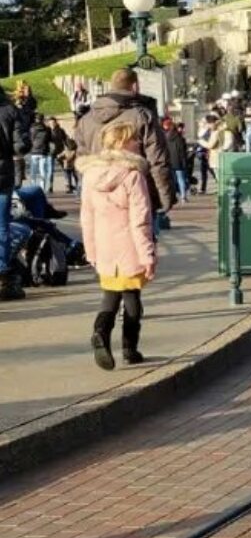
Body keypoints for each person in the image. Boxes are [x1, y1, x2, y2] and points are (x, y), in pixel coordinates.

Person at [79, 120, 158, 369]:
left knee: (110, 297)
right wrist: (148, 255)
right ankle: (129, 349)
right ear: (124, 143)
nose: (138, 143)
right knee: (132, 299)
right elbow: (140, 221)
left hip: (104, 246)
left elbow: (86, 216)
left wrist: (90, 250)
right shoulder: (133, 176)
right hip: (129, 247)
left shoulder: (90, 175)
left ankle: (100, 332)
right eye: (134, 139)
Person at [76, 69, 176, 213]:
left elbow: (82, 159)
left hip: (99, 193)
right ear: (135, 86)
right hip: (136, 192)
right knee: (140, 231)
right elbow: (157, 160)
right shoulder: (142, 116)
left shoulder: (85, 120)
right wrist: (164, 197)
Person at [0, 85, 23, 301]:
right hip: (3, 174)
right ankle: (2, 268)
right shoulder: (9, 110)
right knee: (2, 225)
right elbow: (20, 144)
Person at [162, 117, 190, 205]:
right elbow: (182, 151)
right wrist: (184, 161)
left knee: (173, 180)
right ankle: (183, 196)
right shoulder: (180, 139)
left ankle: (173, 196)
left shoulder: (166, 138)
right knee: (181, 179)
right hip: (178, 161)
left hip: (169, 161)